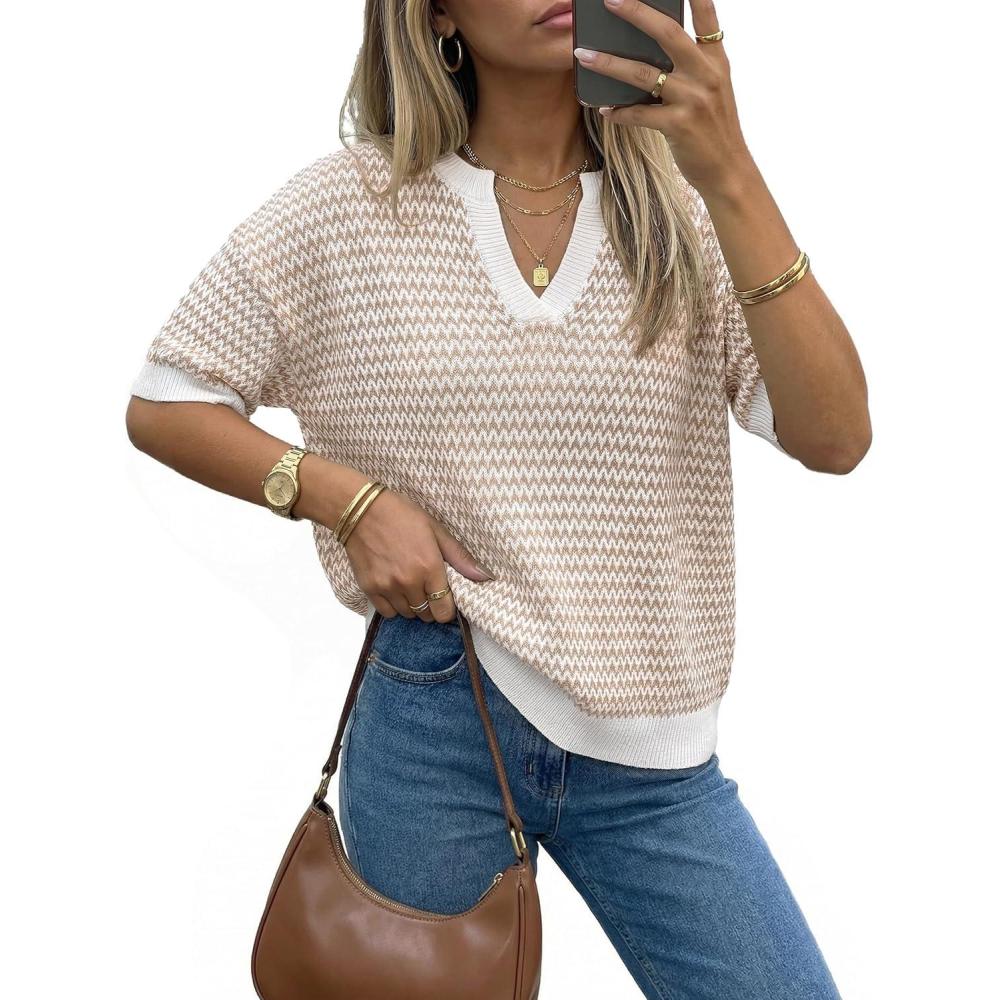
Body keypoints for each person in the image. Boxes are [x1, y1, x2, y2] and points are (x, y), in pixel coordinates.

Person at [126, 1, 869, 996]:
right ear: (436, 13)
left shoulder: (685, 216)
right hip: (434, 715)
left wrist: (728, 167)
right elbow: (169, 399)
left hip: (655, 751)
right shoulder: (346, 207)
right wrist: (342, 498)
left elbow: (835, 437)